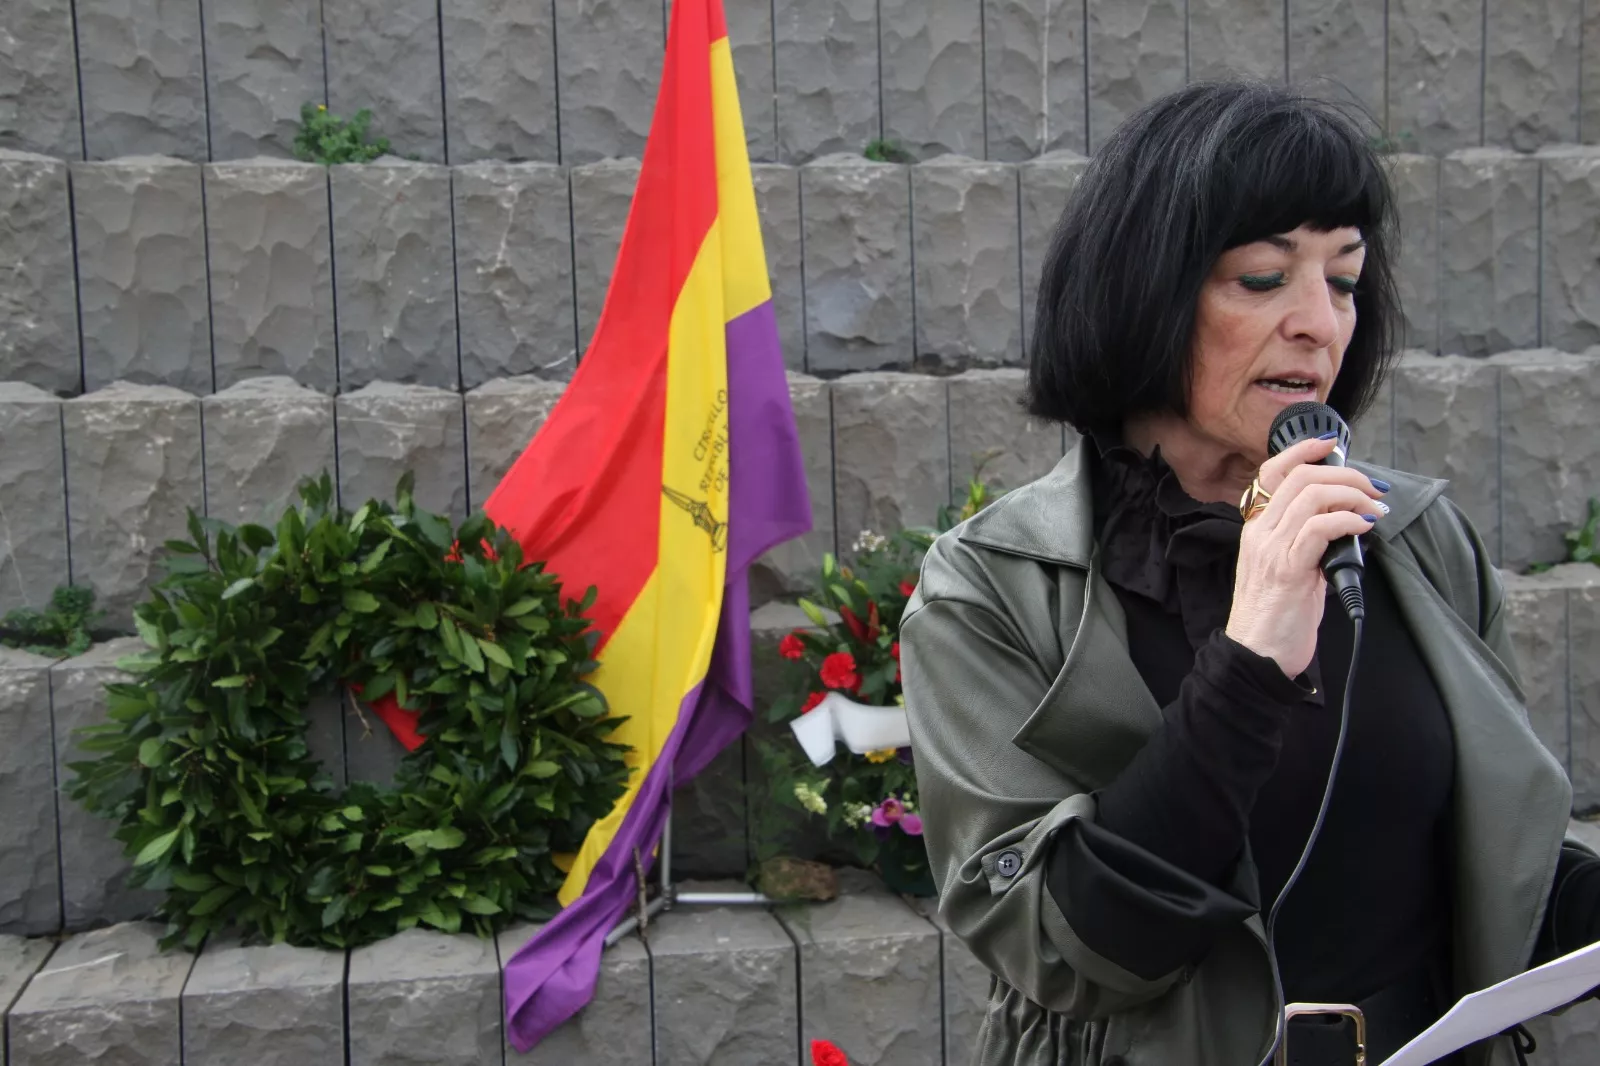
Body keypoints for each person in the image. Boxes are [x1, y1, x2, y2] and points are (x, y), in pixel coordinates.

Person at [900, 81, 1600, 1066]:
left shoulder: (1417, 539)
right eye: (1264, 277)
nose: (1318, 321)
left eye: (1345, 280)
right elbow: (1057, 946)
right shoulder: (992, 588)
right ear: (1144, 290)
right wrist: (1251, 653)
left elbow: (1497, 868)